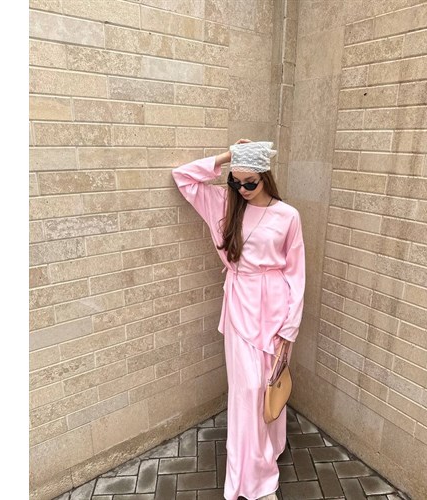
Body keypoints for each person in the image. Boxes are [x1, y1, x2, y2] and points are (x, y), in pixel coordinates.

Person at [171, 139, 306, 500]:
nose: (242, 189)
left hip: (276, 309)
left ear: (266, 177)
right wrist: (228, 155)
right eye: (236, 181)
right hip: (240, 308)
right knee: (247, 391)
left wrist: (290, 326)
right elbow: (183, 177)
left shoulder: (288, 215)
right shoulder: (224, 204)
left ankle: (269, 450)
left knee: (269, 385)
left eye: (250, 182)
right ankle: (254, 478)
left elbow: (296, 273)